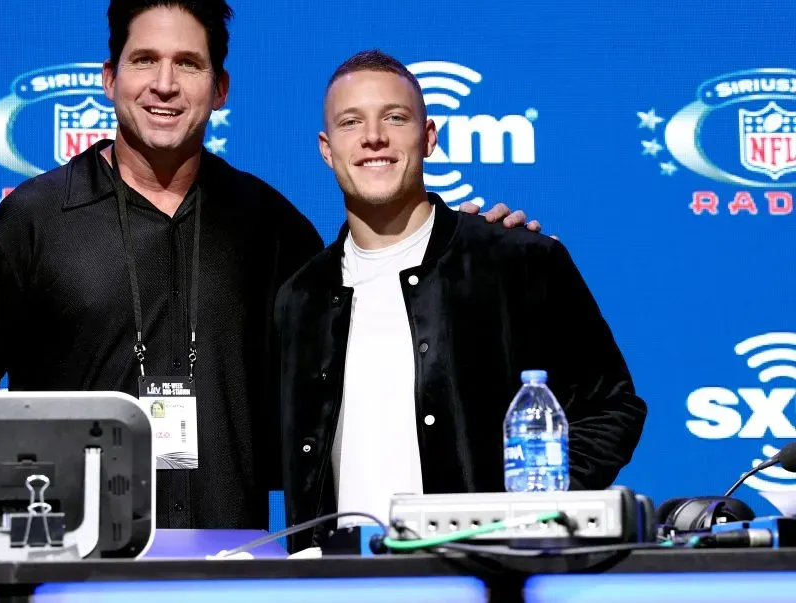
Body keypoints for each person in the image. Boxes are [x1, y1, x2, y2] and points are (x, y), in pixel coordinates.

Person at [0, 0, 540, 530]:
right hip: (72, 565)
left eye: (189, 65)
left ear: (219, 88)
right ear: (110, 78)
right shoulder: (32, 220)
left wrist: (464, 249)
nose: (164, 84)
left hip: (230, 562)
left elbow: (372, 323)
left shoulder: (269, 223)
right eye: (145, 60)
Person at [275, 50, 647, 551]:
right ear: (327, 148)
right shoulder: (300, 298)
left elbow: (611, 407)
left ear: (428, 137)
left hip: (483, 576)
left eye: (395, 117)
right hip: (338, 583)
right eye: (351, 122)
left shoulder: (518, 261)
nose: (373, 138)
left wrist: (535, 518)